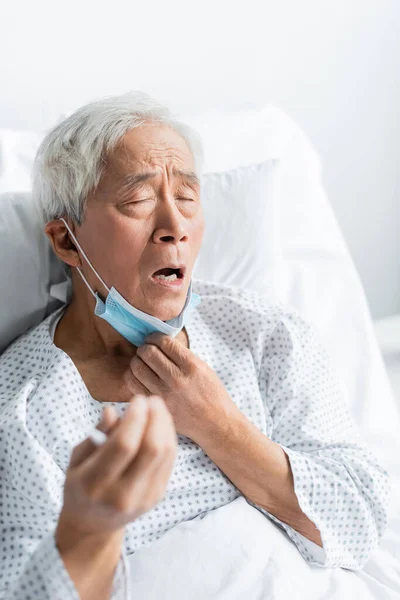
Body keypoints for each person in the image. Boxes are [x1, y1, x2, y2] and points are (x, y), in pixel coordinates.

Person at [0, 92, 390, 599]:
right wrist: (91, 526)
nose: (174, 227)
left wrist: (219, 425)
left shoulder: (267, 338)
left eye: (186, 198)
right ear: (68, 241)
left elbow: (361, 519)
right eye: (138, 201)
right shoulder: (23, 410)